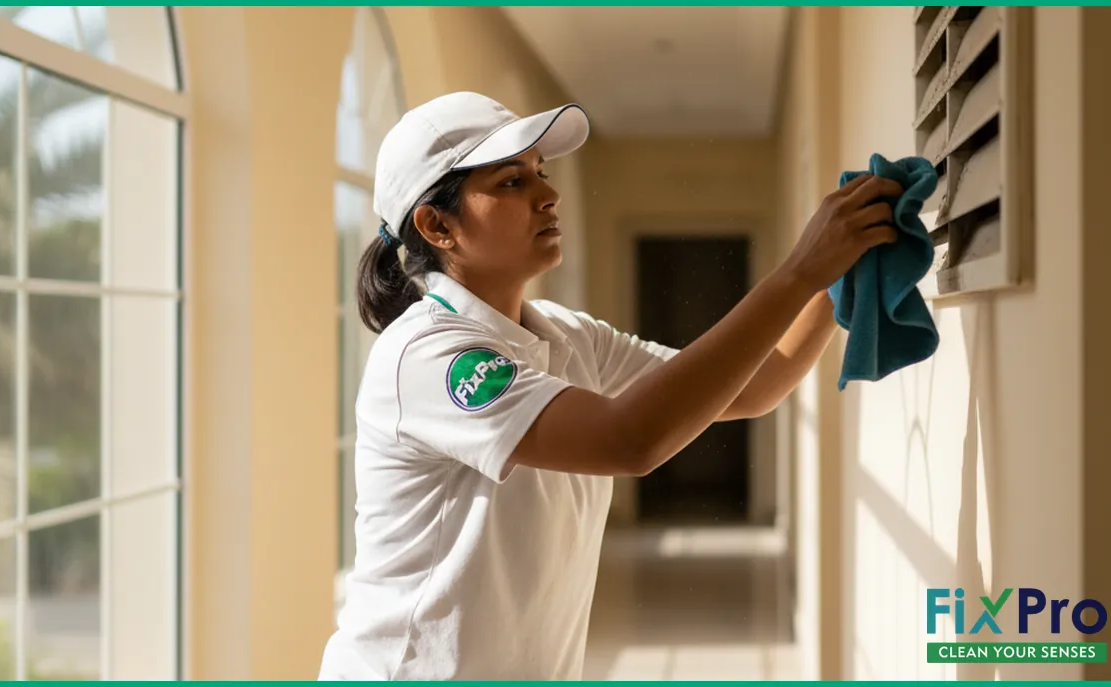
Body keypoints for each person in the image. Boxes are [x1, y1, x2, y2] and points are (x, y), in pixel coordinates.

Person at [318, 91, 900, 680]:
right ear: (437, 225)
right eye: (512, 182)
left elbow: (755, 384)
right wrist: (800, 269)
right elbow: (629, 441)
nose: (549, 195)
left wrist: (839, 272)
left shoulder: (569, 335)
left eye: (540, 173)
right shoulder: (427, 356)